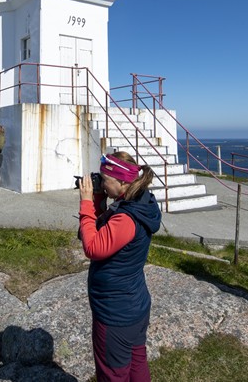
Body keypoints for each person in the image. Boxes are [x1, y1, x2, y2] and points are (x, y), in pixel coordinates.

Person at [78, 151, 162, 381]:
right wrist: (97, 200)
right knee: (136, 361)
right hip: (135, 305)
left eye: (106, 180)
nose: (102, 184)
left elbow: (93, 247)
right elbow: (109, 232)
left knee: (113, 374)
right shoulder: (141, 202)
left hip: (115, 313)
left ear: (123, 181)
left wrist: (85, 204)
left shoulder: (125, 218)